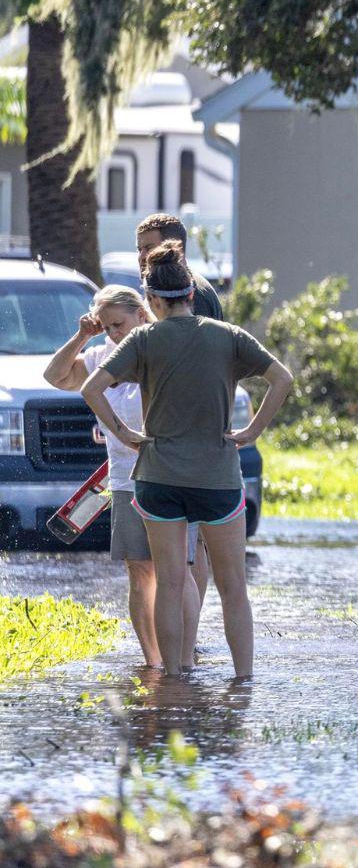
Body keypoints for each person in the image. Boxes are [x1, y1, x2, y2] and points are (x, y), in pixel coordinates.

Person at [82, 242, 293, 677]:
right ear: (192, 294)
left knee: (171, 584)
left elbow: (91, 388)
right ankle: (244, 681)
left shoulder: (143, 338)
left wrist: (126, 435)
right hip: (217, 478)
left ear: (153, 300)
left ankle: (174, 677)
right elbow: (282, 379)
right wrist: (252, 432)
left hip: (158, 476)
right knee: (234, 588)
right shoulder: (228, 336)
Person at [42, 286, 201, 668]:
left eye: (119, 324)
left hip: (171, 476)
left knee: (176, 572)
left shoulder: (160, 351)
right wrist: (83, 335)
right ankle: (153, 663)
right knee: (138, 572)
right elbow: (55, 376)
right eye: (107, 325)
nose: (114, 332)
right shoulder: (99, 357)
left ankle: (184, 659)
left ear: (142, 314)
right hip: (125, 480)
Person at [135, 214, 220, 613]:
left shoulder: (189, 294)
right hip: (183, 433)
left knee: (191, 548)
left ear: (174, 249)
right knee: (189, 545)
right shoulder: (171, 290)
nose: (141, 257)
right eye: (138, 249)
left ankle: (188, 629)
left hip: (189, 433)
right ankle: (187, 629)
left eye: (147, 249)